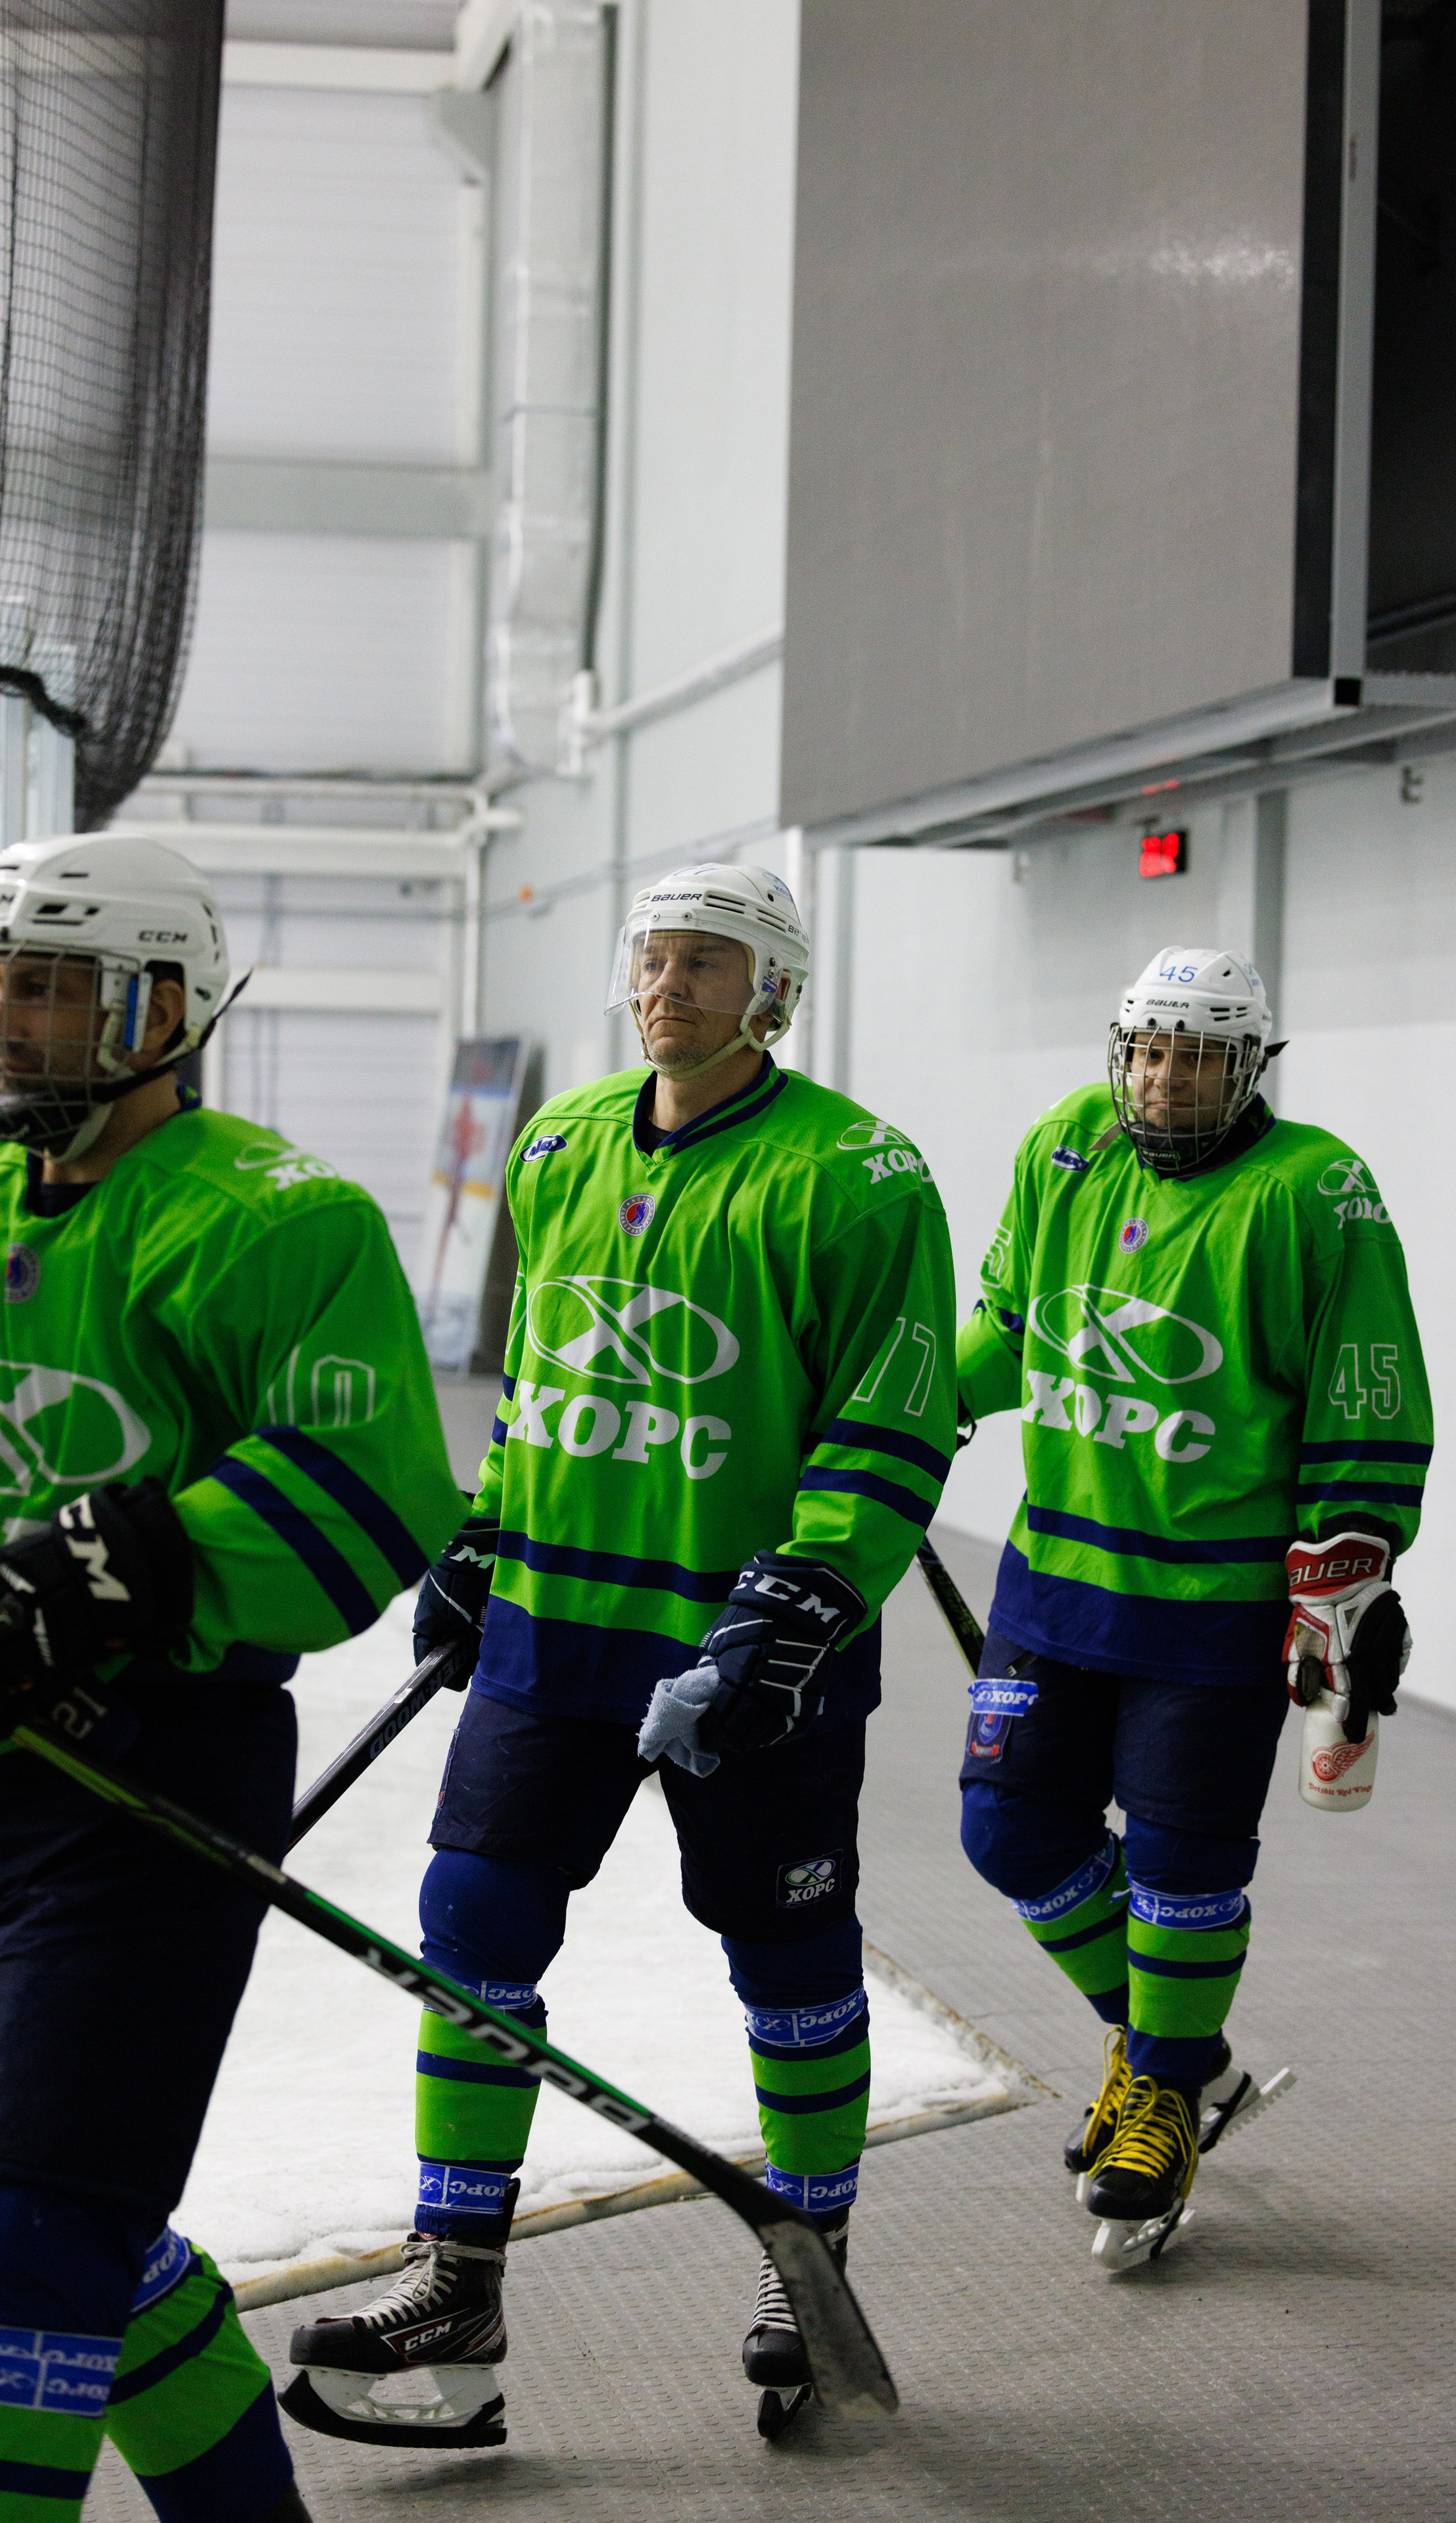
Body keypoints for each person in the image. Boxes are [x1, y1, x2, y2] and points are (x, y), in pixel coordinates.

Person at [0, 834, 463, 2520]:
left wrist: (112, 1568)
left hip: (144, 1780)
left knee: (22, 2237)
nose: (11, 1019)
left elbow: (372, 1500)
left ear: (164, 1006)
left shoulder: (278, 1220)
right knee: (67, 2217)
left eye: (58, 987)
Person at [284, 861, 957, 2445]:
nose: (667, 985)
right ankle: (456, 2274)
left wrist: (805, 1595)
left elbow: (892, 1410)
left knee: (784, 1956)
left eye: (706, 963)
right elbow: (545, 1374)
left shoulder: (857, 1174)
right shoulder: (562, 1141)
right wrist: (484, 1530)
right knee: (472, 1919)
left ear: (772, 991)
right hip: (558, 1631)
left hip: (750, 1647)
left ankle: (813, 2251)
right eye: (651, 957)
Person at [953, 945, 1431, 2269]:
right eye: (1149, 1050)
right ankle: (1183, 2057)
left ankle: (1155, 2093)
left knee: (1177, 1867)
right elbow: (1012, 1319)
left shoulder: (1315, 1190)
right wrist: (909, 1402)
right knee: (1004, 1826)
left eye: (1200, 1055)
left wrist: (1352, 1573)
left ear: (1248, 1067)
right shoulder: (1063, 1146)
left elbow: (1364, 1396)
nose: (1166, 1079)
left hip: (1210, 1607)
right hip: (1050, 1578)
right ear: (1119, 1052)